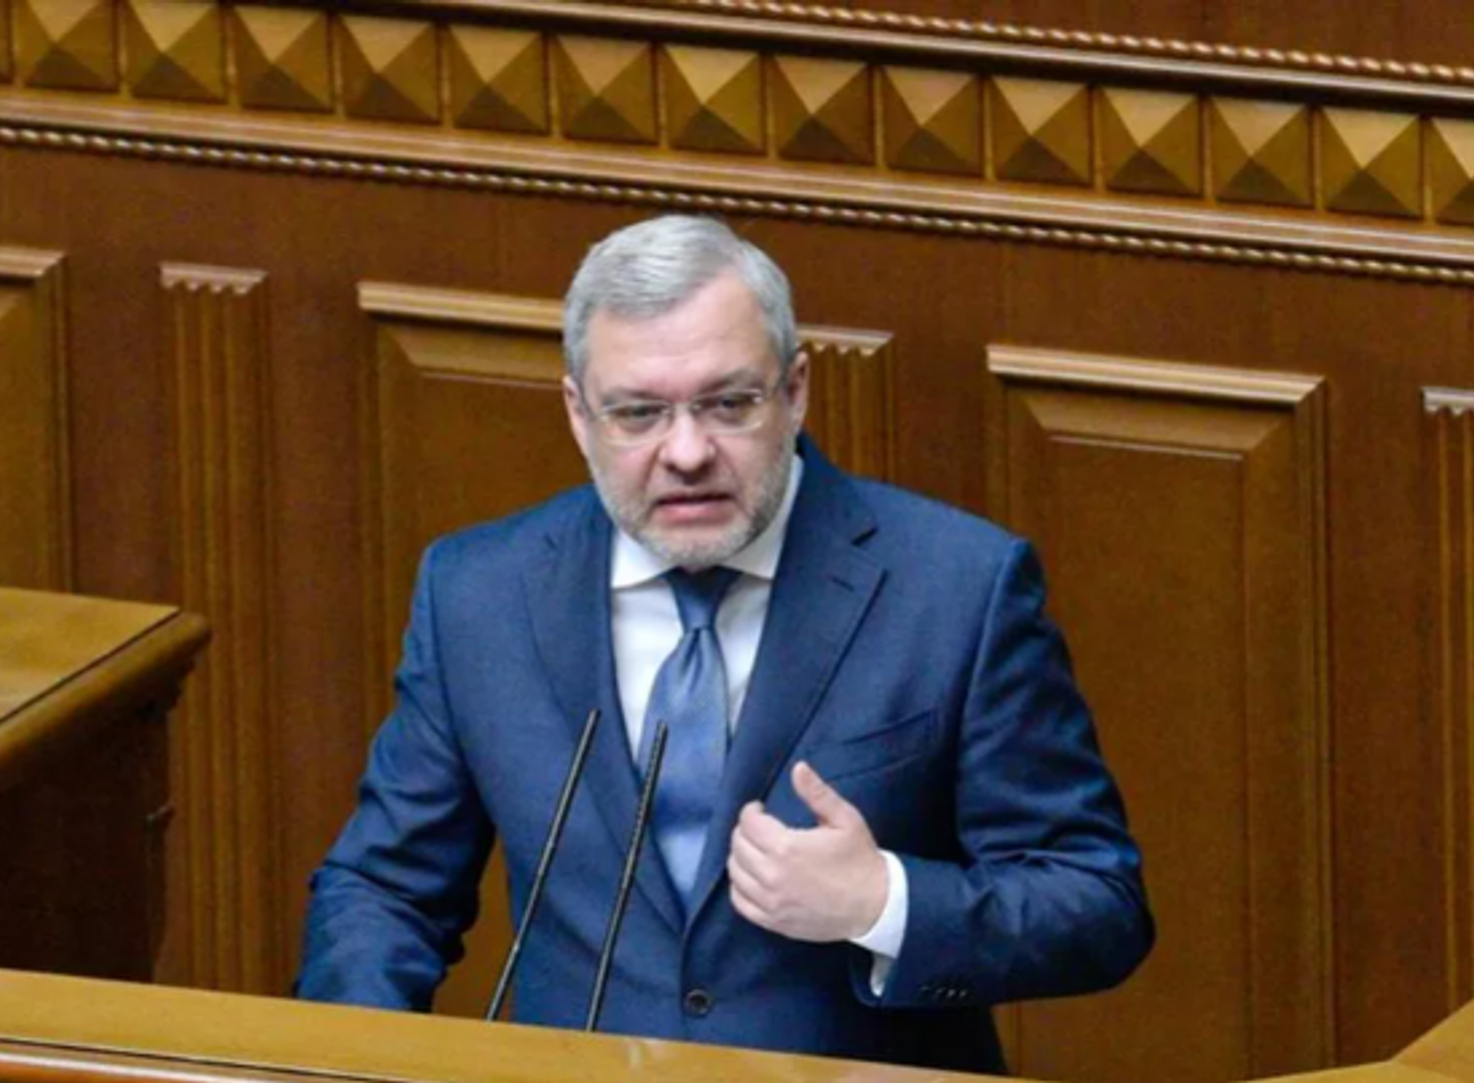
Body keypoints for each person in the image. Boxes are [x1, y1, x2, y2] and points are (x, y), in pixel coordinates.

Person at [296, 215, 1151, 1072]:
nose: (687, 452)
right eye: (639, 413)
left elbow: (1097, 900)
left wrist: (883, 900)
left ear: (795, 390)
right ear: (579, 414)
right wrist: (353, 1060)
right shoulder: (479, 593)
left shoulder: (957, 586)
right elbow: (385, 889)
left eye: (729, 403)